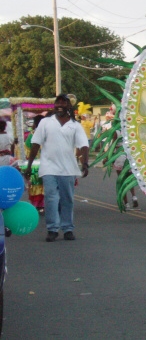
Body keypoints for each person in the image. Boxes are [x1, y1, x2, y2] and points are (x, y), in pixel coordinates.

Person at [25, 94, 90, 242]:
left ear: (69, 106)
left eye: (63, 102)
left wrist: (85, 163)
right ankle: (52, 229)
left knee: (67, 199)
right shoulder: (46, 123)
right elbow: (36, 144)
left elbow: (84, 146)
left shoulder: (75, 125)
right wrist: (29, 165)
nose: (59, 104)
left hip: (68, 169)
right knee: (51, 199)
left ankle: (67, 228)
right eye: (57, 102)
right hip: (48, 168)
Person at [25, 115, 45, 213]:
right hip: (48, 163)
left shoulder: (32, 134)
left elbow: (27, 149)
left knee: (36, 185)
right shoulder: (48, 133)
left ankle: (38, 205)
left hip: (35, 164)